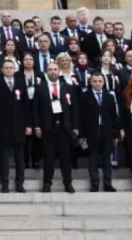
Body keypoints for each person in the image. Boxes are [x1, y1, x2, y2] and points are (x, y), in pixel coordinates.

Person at [35, 62, 78, 193]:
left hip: (64, 127)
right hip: (48, 126)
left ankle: (68, 183)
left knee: (65, 157)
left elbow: (74, 109)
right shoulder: (41, 87)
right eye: (50, 70)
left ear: (59, 71)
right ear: (46, 72)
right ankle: (47, 183)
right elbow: (36, 109)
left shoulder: (68, 87)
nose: (53, 72)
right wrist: (37, 126)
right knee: (49, 157)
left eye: (55, 69)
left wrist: (75, 126)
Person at [0, 60, 31, 193]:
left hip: (19, 126)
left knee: (20, 158)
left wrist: (28, 124)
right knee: (4, 158)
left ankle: (20, 183)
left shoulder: (20, 83)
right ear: (2, 70)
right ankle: (5, 183)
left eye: (11, 68)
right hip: (3, 126)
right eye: (6, 68)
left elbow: (26, 105)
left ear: (15, 69)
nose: (9, 70)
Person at [80, 72, 119, 192]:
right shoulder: (85, 96)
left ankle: (107, 183)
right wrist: (82, 134)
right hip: (91, 131)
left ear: (104, 82)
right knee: (93, 158)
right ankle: (94, 183)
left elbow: (114, 116)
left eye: (100, 81)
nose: (97, 83)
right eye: (95, 81)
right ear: (91, 82)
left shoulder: (109, 97)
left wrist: (116, 133)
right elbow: (81, 116)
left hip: (106, 130)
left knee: (107, 157)